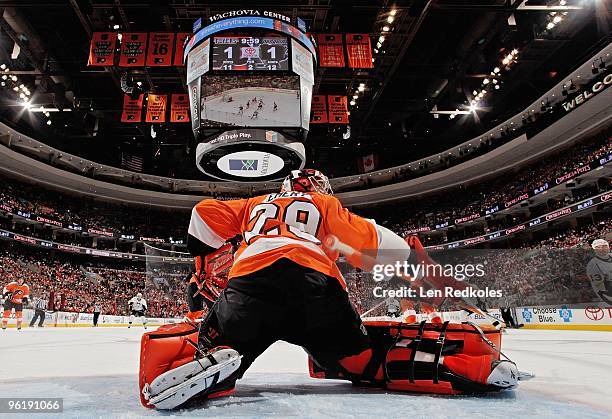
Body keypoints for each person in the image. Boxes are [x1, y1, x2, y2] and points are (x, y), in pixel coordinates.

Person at [141, 169, 520, 409]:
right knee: (365, 362)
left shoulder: (253, 205)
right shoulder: (326, 205)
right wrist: (427, 273)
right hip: (316, 286)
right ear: (320, 189)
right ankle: (466, 365)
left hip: (252, 280)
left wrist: (206, 264)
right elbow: (381, 245)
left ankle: (212, 357)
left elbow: (201, 215)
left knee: (224, 346)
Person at [586, 239, 612, 304]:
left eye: (604, 246)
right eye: (598, 247)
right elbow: (600, 286)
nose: (602, 249)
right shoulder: (592, 264)